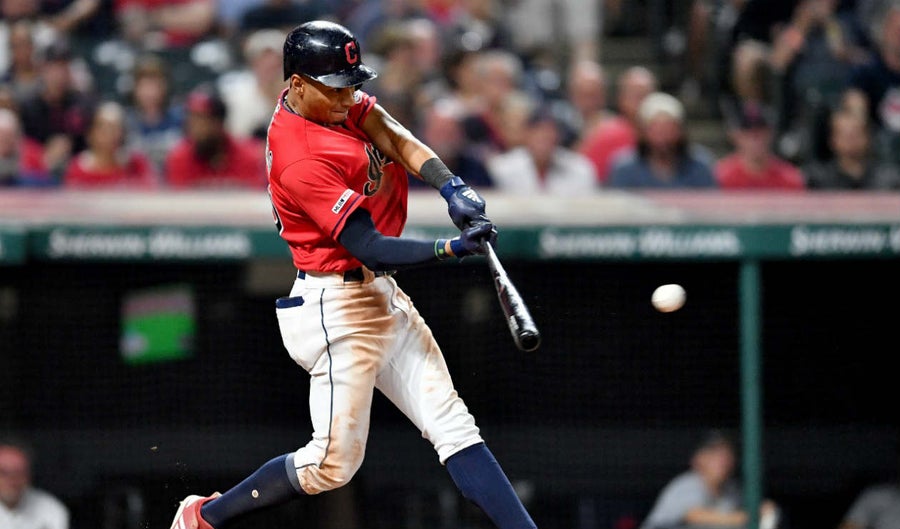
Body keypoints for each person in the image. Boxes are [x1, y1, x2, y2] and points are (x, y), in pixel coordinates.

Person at [167, 20, 537, 529]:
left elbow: (391, 132)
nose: (349, 97)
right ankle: (203, 517)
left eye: (351, 84)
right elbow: (371, 248)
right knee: (332, 465)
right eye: (337, 88)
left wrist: (450, 185)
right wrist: (452, 247)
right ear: (298, 84)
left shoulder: (328, 101)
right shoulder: (299, 154)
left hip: (378, 292)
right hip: (334, 309)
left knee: (454, 428)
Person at [641, 430, 780, 529]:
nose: (722, 460)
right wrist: (748, 517)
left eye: (726, 454)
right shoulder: (689, 483)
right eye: (714, 454)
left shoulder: (731, 490)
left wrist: (763, 509)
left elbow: (756, 511)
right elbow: (695, 515)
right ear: (698, 459)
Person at [164, 85, 266, 189]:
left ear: (219, 122)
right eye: (191, 119)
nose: (194, 128)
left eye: (201, 120)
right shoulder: (179, 159)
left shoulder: (249, 157)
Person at [607, 91, 717, 189]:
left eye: (669, 129)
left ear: (680, 131)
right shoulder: (625, 169)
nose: (662, 138)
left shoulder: (700, 166)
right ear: (643, 133)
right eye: (656, 130)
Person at [486, 105, 598, 195]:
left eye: (549, 131)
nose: (543, 136)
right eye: (537, 130)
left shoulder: (580, 169)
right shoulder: (501, 168)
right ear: (525, 134)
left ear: (558, 136)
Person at [63, 100, 157, 189]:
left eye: (117, 128)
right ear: (90, 133)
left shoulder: (137, 164)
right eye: (105, 127)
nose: (112, 134)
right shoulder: (77, 169)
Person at [715, 102, 806, 190]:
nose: (755, 136)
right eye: (747, 129)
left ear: (771, 133)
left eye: (761, 128)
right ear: (734, 135)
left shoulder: (790, 179)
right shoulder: (720, 177)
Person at [803, 106, 900, 189]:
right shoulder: (818, 180)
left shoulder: (889, 179)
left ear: (868, 137)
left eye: (856, 134)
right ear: (832, 139)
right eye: (845, 135)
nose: (851, 140)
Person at [0, 436, 70, 529]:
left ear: (29, 474)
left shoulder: (50, 508)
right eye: (4, 472)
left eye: (19, 472)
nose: (12, 479)